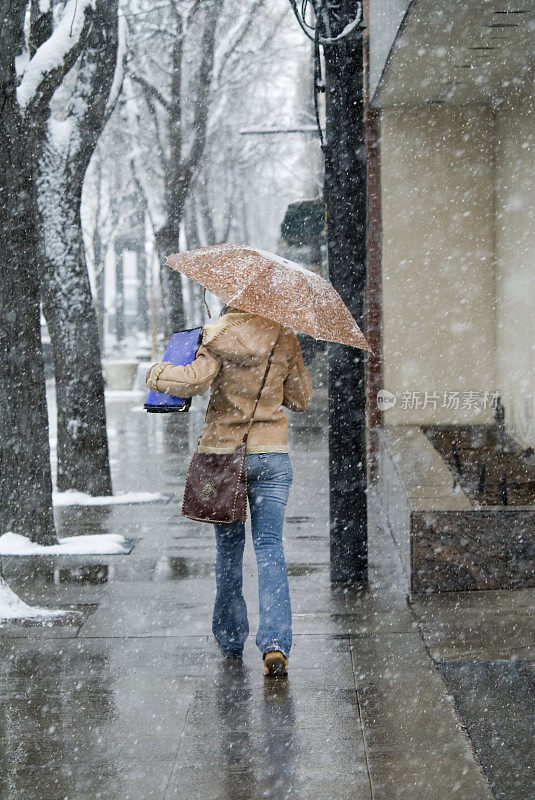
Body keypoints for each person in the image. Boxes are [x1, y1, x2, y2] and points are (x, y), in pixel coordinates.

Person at [146, 307, 312, 676]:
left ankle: (231, 637)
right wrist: (268, 386)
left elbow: (192, 381)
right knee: (270, 547)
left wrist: (157, 374)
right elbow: (301, 398)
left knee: (228, 552)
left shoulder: (216, 335)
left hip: (224, 457)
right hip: (271, 455)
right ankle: (274, 644)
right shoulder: (285, 336)